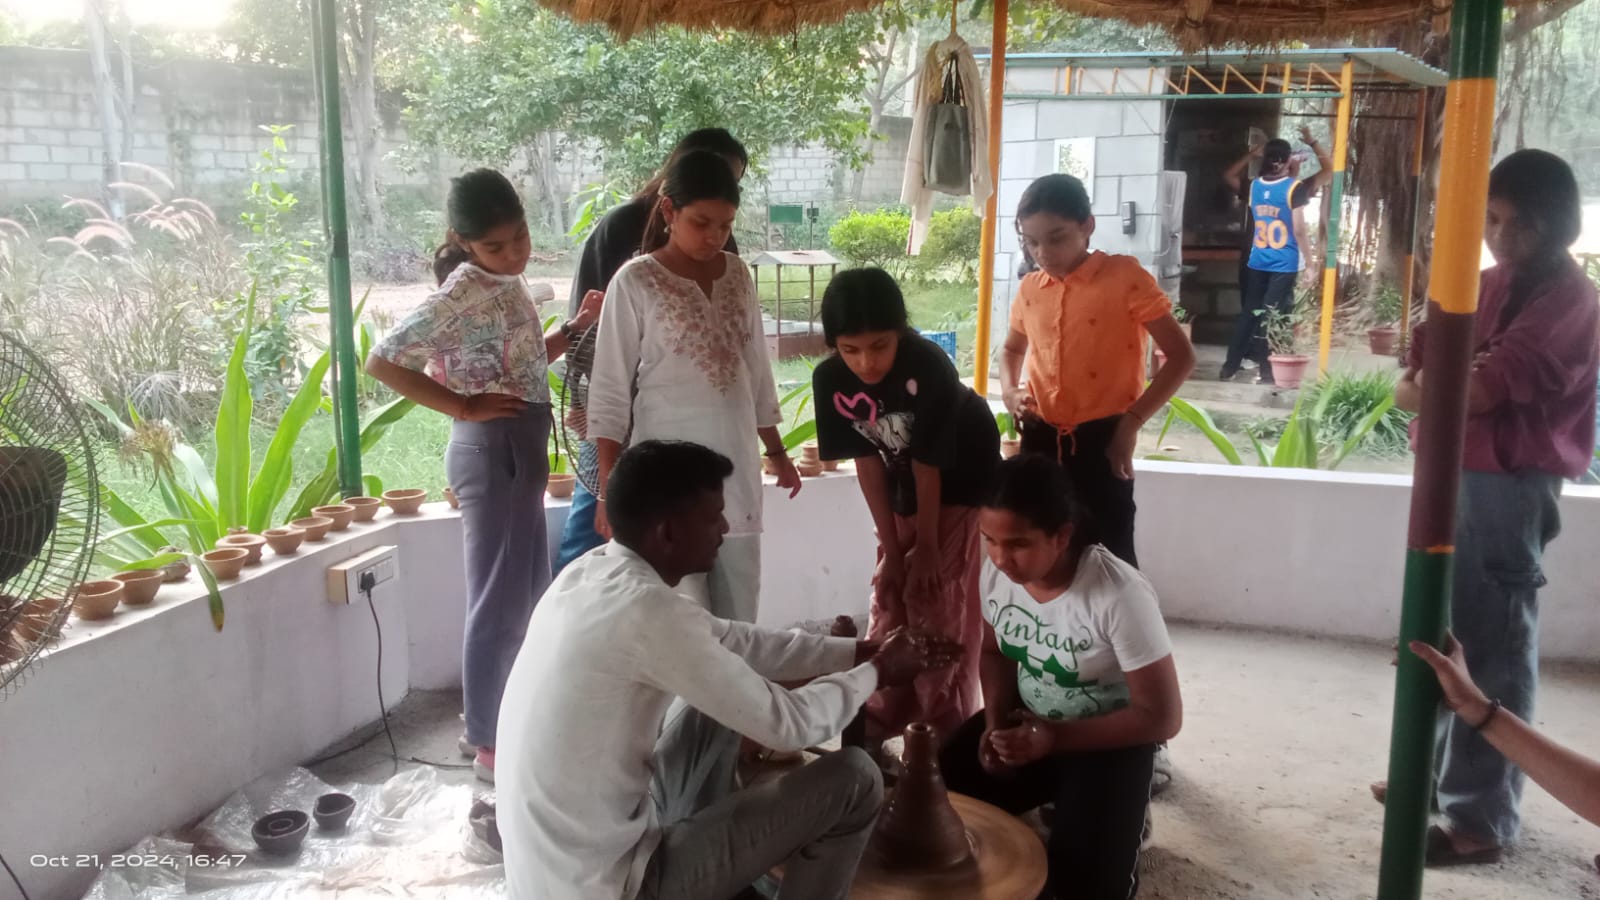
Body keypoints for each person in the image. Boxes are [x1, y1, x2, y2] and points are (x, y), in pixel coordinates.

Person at [496, 439, 963, 900]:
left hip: (559, 868)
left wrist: (860, 650)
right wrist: (879, 671)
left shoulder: (590, 575)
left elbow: (730, 641)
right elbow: (791, 726)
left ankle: (721, 875)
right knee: (857, 779)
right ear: (667, 533)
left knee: (719, 693)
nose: (724, 526)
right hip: (611, 886)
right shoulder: (646, 612)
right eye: (711, 515)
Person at [1383, 148, 1599, 866]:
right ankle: (1433, 778)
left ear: (1554, 226)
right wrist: (1439, 383)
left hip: (1510, 484)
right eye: (1492, 220)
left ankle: (1481, 818)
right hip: (1451, 472)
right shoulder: (1483, 284)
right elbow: (1411, 380)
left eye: (1516, 224)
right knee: (1438, 633)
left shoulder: (1572, 300)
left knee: (1496, 646)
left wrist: (1439, 384)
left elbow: (1470, 390)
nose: (1500, 237)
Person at [365, 168, 602, 784]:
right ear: (464, 242)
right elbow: (382, 360)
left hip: (517, 444)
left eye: (519, 236)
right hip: (489, 448)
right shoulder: (463, 290)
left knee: (526, 592)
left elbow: (521, 364)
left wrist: (571, 330)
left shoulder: (505, 281)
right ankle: (486, 737)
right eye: (496, 245)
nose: (514, 252)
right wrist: (463, 406)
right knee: (497, 601)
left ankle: (514, 717)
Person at [940, 453, 1182, 900]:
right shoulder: (995, 570)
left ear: (1062, 535)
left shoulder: (1117, 593)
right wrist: (995, 726)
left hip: (1108, 741)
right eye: (988, 538)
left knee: (1083, 885)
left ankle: (1122, 809)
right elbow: (995, 652)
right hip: (1028, 720)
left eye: (1017, 543)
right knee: (936, 795)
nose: (999, 556)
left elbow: (1162, 717)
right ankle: (1057, 802)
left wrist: (1053, 739)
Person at [587, 149, 801, 623]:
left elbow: (756, 373)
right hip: (666, 481)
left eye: (725, 225)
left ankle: (737, 700)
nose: (714, 236)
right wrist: (608, 491)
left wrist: (778, 452)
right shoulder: (636, 281)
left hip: (736, 472)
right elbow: (609, 391)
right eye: (701, 222)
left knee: (740, 614)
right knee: (680, 623)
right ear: (668, 211)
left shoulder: (738, 275)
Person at [811, 267, 999, 740]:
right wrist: (894, 553)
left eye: (879, 346)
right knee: (891, 596)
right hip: (901, 483)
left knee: (938, 600)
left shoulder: (928, 365)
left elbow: (928, 464)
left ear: (900, 332)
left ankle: (942, 734)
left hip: (960, 483)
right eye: (850, 350)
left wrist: (929, 551)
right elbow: (867, 461)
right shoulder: (831, 379)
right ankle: (882, 720)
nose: (865, 364)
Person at [554, 129, 749, 576]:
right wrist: (598, 414)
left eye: (733, 181)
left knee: (678, 541)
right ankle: (578, 630)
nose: (713, 234)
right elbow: (592, 333)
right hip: (615, 405)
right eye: (701, 221)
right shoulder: (621, 227)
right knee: (597, 527)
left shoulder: (724, 249)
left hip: (685, 419)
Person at [999, 173, 1195, 568]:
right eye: (1031, 241)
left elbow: (1181, 356)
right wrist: (1010, 392)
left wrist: (1130, 425)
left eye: (1056, 238)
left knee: (1110, 553)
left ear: (1087, 226)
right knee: (1044, 551)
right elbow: (1010, 350)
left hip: (1105, 438)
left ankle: (1122, 631)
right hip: (1039, 437)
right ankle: (1054, 630)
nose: (1043, 252)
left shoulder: (1124, 278)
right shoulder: (1030, 289)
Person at [1220, 125, 1333, 385]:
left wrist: (1253, 155)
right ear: (1286, 161)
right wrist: (1311, 263)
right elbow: (1300, 229)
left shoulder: (1256, 187)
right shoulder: (1296, 188)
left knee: (1250, 312)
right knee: (1272, 315)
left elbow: (1230, 176)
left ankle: (1229, 367)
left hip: (1257, 259)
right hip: (1283, 262)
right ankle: (1268, 371)